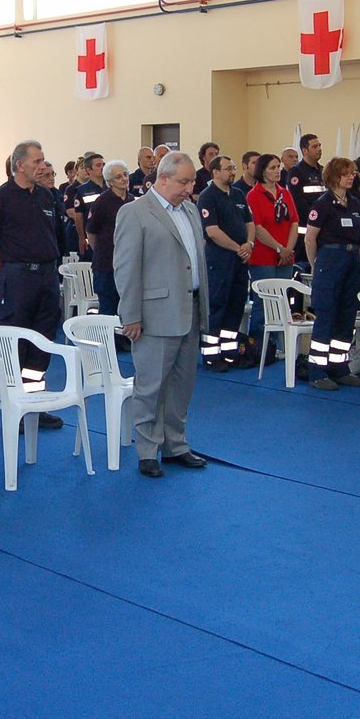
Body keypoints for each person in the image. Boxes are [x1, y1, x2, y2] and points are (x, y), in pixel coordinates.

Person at [113, 151, 209, 478]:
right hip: (154, 315)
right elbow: (125, 269)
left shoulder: (192, 211)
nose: (189, 187)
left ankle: (176, 444)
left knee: (183, 386)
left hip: (190, 309)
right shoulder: (135, 213)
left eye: (192, 181)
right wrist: (131, 315)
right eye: (184, 181)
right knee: (151, 386)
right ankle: (146, 450)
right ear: (162, 178)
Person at [0, 140, 66, 429]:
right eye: (37, 162)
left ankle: (34, 402)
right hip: (18, 278)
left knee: (42, 341)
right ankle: (13, 404)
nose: (42, 166)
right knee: (15, 341)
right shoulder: (0, 199)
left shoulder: (46, 196)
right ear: (20, 165)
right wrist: (11, 269)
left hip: (46, 276)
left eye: (43, 161)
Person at [301, 157, 360, 390]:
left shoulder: (355, 204)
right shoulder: (323, 204)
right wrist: (315, 265)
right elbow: (310, 238)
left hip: (351, 260)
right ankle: (317, 371)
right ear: (334, 176)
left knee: (346, 314)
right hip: (329, 260)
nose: (351, 177)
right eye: (346, 173)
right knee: (326, 315)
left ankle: (339, 366)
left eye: (352, 173)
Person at [196, 154, 253, 371]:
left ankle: (230, 350)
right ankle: (211, 355)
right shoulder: (207, 196)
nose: (232, 172)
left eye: (233, 168)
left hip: (240, 258)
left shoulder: (238, 194)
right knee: (217, 306)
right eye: (228, 168)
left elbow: (250, 223)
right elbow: (212, 231)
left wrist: (249, 244)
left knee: (236, 304)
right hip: (219, 258)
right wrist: (237, 248)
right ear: (216, 172)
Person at [245, 153, 298, 360]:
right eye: (272, 167)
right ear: (262, 171)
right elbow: (256, 227)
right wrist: (278, 248)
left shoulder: (285, 193)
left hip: (285, 256)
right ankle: (258, 346)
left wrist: (288, 249)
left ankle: (276, 345)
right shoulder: (253, 195)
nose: (277, 171)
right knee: (263, 303)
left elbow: (294, 221)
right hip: (263, 256)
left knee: (281, 302)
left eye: (278, 167)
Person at [86, 159, 133, 319]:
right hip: (106, 266)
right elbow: (91, 232)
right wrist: (100, 251)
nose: (124, 179)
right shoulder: (102, 202)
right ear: (110, 182)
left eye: (125, 175)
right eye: (119, 177)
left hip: (127, 265)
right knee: (108, 310)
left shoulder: (131, 201)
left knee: (127, 309)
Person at [285, 133, 324, 266]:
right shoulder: (296, 172)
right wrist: (317, 218)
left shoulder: (322, 171)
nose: (319, 149)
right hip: (304, 233)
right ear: (305, 150)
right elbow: (298, 203)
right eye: (315, 146)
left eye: (319, 145)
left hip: (322, 231)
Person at [69, 153, 108, 262]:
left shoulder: (110, 187)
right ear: (89, 170)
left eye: (103, 164)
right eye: (98, 165)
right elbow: (79, 215)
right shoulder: (82, 190)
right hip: (91, 237)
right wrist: (82, 238)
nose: (102, 168)